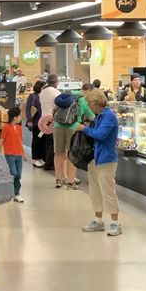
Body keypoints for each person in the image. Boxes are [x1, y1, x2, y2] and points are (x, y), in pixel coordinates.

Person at [78, 89, 122, 236]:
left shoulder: (109, 117)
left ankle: (115, 223)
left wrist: (84, 129)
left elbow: (101, 135)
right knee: (95, 192)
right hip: (94, 159)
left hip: (106, 160)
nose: (88, 107)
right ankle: (98, 220)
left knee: (108, 192)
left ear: (95, 103)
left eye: (89, 104)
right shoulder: (99, 117)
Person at [53, 87, 95, 190]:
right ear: (87, 92)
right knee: (72, 153)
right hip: (73, 127)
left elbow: (54, 109)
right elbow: (91, 116)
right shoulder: (82, 100)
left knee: (58, 153)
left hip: (58, 125)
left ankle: (58, 179)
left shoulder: (65, 95)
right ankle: (70, 182)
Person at [1, 106, 28, 203]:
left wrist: (24, 154)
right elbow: (2, 141)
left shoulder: (19, 128)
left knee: (18, 174)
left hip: (19, 154)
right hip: (9, 154)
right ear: (15, 117)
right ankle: (12, 191)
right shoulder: (6, 128)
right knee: (13, 173)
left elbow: (20, 141)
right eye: (20, 116)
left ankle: (16, 193)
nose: (21, 118)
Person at [24, 80, 45, 167]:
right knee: (36, 140)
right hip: (36, 122)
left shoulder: (43, 96)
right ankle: (35, 159)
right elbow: (28, 108)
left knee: (41, 140)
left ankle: (40, 157)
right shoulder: (33, 96)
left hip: (42, 122)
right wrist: (29, 120)